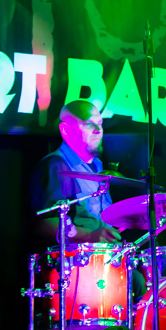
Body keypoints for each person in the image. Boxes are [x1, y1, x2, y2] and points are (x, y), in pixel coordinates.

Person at [29, 100, 122, 245]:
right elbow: (44, 224)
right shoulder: (57, 166)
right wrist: (90, 235)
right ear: (66, 130)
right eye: (89, 124)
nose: (98, 130)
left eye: (100, 123)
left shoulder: (98, 166)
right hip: (76, 257)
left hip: (104, 254)